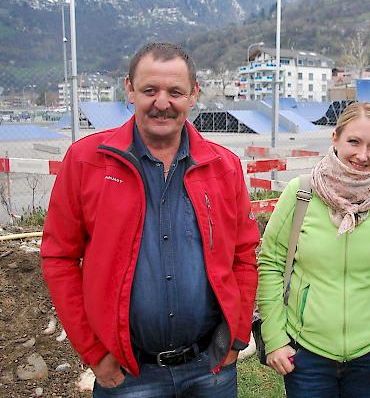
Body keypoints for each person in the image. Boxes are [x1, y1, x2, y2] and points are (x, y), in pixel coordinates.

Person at [40, 42, 259, 397]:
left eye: (175, 91)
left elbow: (245, 255)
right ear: (129, 89)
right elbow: (59, 257)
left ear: (194, 94)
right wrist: (95, 353)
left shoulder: (223, 166)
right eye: (149, 90)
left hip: (210, 366)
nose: (162, 103)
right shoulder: (85, 162)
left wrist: (236, 337)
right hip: (129, 373)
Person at [257, 102, 370, 398]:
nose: (362, 155)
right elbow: (270, 263)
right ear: (335, 137)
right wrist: (275, 338)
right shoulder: (300, 194)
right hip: (306, 353)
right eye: (354, 142)